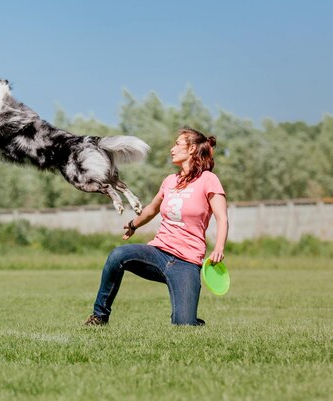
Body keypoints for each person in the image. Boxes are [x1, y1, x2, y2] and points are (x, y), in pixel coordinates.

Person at [85, 127, 229, 326]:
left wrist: (219, 247)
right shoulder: (170, 181)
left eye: (177, 144)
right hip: (158, 253)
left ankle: (193, 320)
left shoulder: (208, 180)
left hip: (186, 262)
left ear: (192, 149)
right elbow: (152, 208)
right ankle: (99, 316)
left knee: (184, 325)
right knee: (117, 256)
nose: (172, 149)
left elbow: (222, 217)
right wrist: (134, 225)